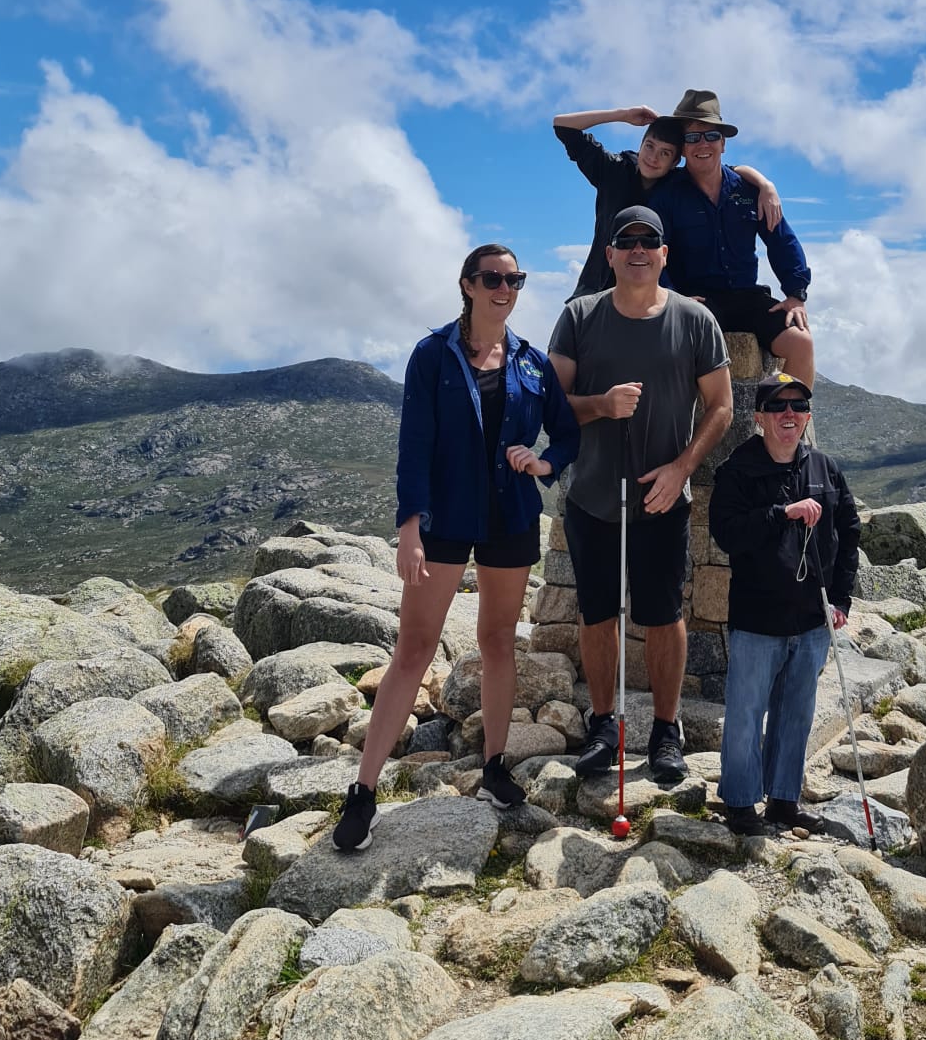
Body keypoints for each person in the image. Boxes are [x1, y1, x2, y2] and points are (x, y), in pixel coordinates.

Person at [332, 243, 579, 852]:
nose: (505, 288)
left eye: (514, 279)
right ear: (467, 284)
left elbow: (567, 431)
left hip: (510, 515)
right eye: (493, 278)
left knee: (498, 641)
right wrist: (408, 527)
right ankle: (363, 795)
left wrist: (542, 461)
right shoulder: (433, 354)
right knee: (413, 648)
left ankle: (495, 768)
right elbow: (413, 444)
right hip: (443, 519)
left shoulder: (529, 360)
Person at [548, 204, 733, 789]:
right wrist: (601, 405)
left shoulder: (694, 321)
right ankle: (605, 724)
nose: (637, 249)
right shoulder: (579, 316)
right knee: (598, 612)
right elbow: (552, 403)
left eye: (648, 240)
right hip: (593, 495)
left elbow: (722, 406)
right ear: (609, 256)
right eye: (624, 240)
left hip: (661, 498)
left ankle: (665, 730)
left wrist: (682, 468)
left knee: (662, 614)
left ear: (663, 254)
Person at [709, 373, 859, 835]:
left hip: (812, 619)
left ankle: (782, 801)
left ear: (808, 416)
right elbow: (727, 533)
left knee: (797, 713)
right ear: (760, 419)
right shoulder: (737, 471)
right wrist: (783, 514)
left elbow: (849, 532)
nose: (788, 414)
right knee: (745, 712)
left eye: (797, 406)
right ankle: (738, 802)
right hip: (757, 618)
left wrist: (841, 599)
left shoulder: (826, 470)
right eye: (778, 407)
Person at [652, 88, 815, 389]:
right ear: (683, 148)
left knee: (800, 341)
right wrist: (670, 296)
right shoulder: (667, 196)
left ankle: (790, 429)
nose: (703, 144)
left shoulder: (749, 190)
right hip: (696, 301)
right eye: (692, 138)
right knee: (679, 352)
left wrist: (796, 294)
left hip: (747, 298)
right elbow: (654, 252)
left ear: (724, 143)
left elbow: (781, 240)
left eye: (711, 136)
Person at [554, 102, 787, 299]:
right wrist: (622, 115)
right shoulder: (615, 171)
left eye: (665, 153)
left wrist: (765, 185)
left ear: (677, 161)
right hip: (601, 287)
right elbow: (562, 125)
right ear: (641, 144)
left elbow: (725, 172)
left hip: (655, 296)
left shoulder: (680, 185)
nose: (653, 158)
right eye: (649, 147)